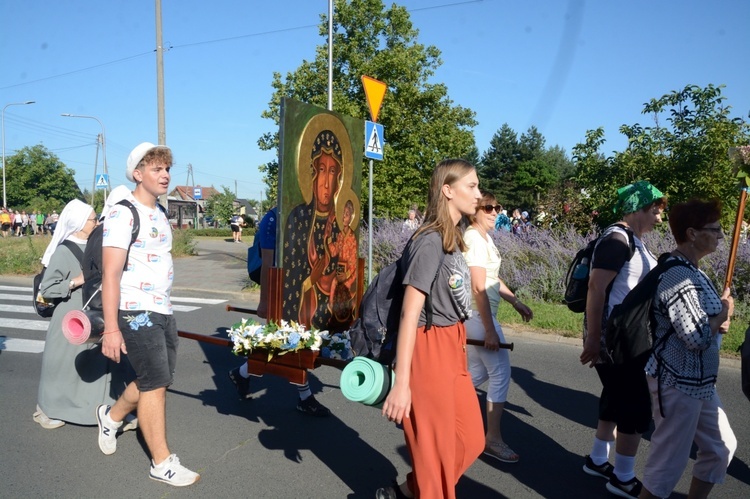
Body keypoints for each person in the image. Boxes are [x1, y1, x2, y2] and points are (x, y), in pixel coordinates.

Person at [377, 158, 484, 499]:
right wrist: (402, 384)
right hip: (429, 347)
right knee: (435, 458)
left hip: (453, 345)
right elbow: (410, 315)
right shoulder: (430, 240)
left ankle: (411, 490)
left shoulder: (452, 236)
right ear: (447, 190)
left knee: (471, 440)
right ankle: (425, 490)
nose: (479, 194)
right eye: (472, 186)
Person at [97, 142, 199, 487]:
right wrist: (111, 328)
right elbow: (110, 273)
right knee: (156, 384)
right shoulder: (123, 213)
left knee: (154, 379)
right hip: (135, 309)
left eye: (167, 168)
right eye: (157, 169)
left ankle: (110, 418)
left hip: (162, 309)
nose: (166, 174)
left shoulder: (159, 212)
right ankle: (162, 462)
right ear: (138, 174)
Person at [639, 199, 737, 499]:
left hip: (700, 383)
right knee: (668, 463)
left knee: (721, 448)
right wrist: (723, 313)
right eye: (716, 229)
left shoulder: (694, 271)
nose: (721, 235)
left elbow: (702, 324)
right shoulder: (678, 275)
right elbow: (694, 337)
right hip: (677, 381)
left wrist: (720, 318)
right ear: (692, 233)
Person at [579, 180, 666, 498]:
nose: (660, 214)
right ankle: (623, 477)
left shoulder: (632, 239)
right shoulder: (617, 239)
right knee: (635, 404)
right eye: (657, 207)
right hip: (617, 339)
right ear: (640, 207)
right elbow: (596, 287)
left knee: (616, 396)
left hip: (622, 335)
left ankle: (599, 460)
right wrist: (593, 339)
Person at [33, 199, 136, 430]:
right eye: (92, 219)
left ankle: (98, 410)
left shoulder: (94, 244)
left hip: (92, 315)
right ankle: (51, 408)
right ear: (79, 224)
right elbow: (47, 289)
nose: (97, 221)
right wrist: (77, 281)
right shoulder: (64, 250)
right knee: (63, 368)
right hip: (69, 319)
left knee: (96, 365)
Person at [229, 204, 331, 416]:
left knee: (289, 342)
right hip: (279, 290)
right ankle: (304, 397)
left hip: (299, 289)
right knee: (291, 342)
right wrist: (265, 301)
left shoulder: (306, 215)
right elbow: (267, 263)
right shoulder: (273, 219)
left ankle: (242, 374)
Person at [463, 192, 533, 463]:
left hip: (478, 317)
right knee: (501, 373)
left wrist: (514, 301)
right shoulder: (474, 238)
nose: (494, 212)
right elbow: (478, 286)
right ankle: (492, 439)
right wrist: (490, 330)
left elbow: (491, 277)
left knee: (475, 374)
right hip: (479, 317)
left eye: (497, 207)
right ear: (475, 211)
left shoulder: (484, 238)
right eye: (488, 208)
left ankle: (442, 413)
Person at [283, 129, 345, 331]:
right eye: (321, 170)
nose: (326, 183)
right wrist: (311, 280)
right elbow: (289, 282)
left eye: (333, 171)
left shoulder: (339, 224)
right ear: (311, 174)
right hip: (304, 322)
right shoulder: (298, 219)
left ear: (339, 179)